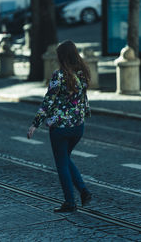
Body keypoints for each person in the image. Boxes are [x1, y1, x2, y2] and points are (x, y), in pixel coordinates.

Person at [27, 40, 92, 213]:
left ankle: (70, 202)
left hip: (60, 128)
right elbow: (84, 99)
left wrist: (35, 124)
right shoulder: (83, 73)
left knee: (62, 163)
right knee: (65, 158)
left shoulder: (59, 75)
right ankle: (83, 191)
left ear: (62, 57)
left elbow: (48, 101)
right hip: (78, 126)